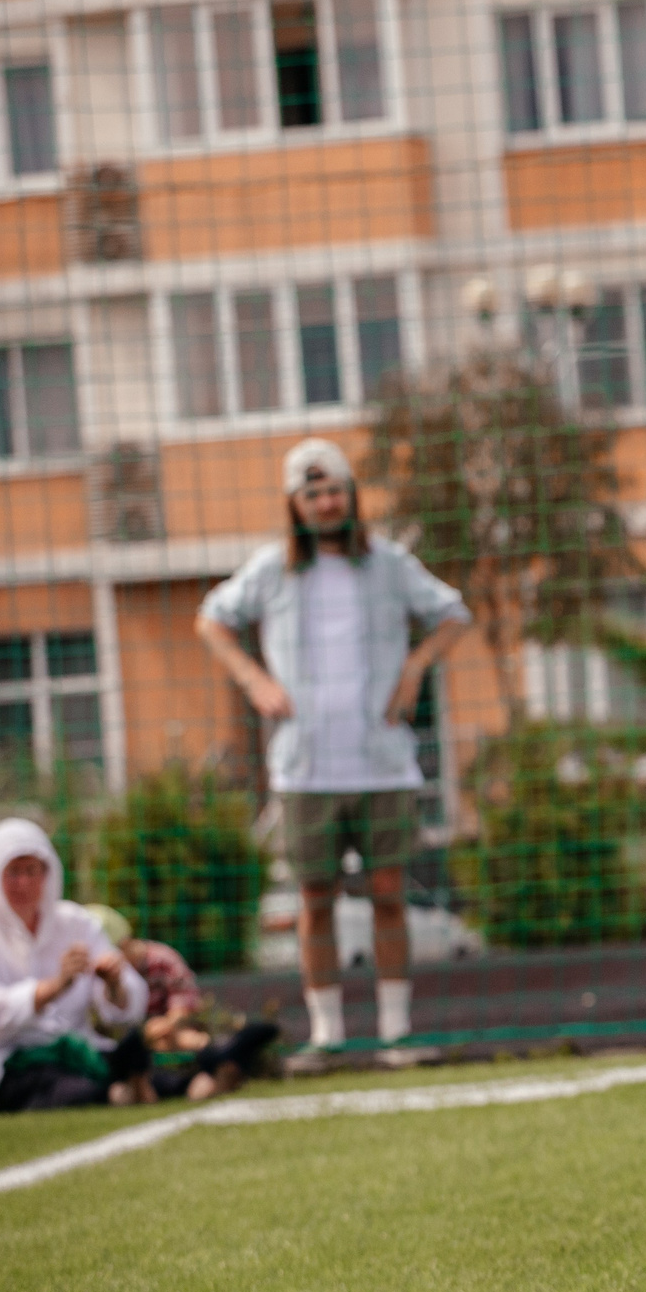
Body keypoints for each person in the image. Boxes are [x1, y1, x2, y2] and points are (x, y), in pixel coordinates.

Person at [197, 437, 471, 1050]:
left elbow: (454, 614)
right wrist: (254, 680)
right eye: (312, 493)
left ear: (352, 495)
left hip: (382, 763)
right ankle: (328, 1033)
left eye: (335, 491)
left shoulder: (389, 565)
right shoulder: (272, 569)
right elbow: (211, 620)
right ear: (295, 504)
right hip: (306, 768)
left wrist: (415, 667)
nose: (325, 503)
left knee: (388, 894)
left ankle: (396, 1028)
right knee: (314, 899)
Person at [0, 820, 146, 1111]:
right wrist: (54, 986)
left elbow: (126, 1007)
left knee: (129, 1051)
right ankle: (117, 1089)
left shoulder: (75, 923)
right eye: (13, 872)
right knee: (65, 1087)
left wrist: (113, 983)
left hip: (78, 1050)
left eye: (31, 871)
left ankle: (191, 1076)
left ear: (47, 873)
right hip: (12, 1061)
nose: (23, 883)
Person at [82, 905, 279, 1102]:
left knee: (183, 1044)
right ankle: (223, 1056)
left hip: (168, 1042)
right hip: (124, 1054)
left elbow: (182, 1009)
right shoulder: (91, 974)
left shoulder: (162, 960)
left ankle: (221, 1065)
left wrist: (161, 1027)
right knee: (137, 1048)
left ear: (124, 943)